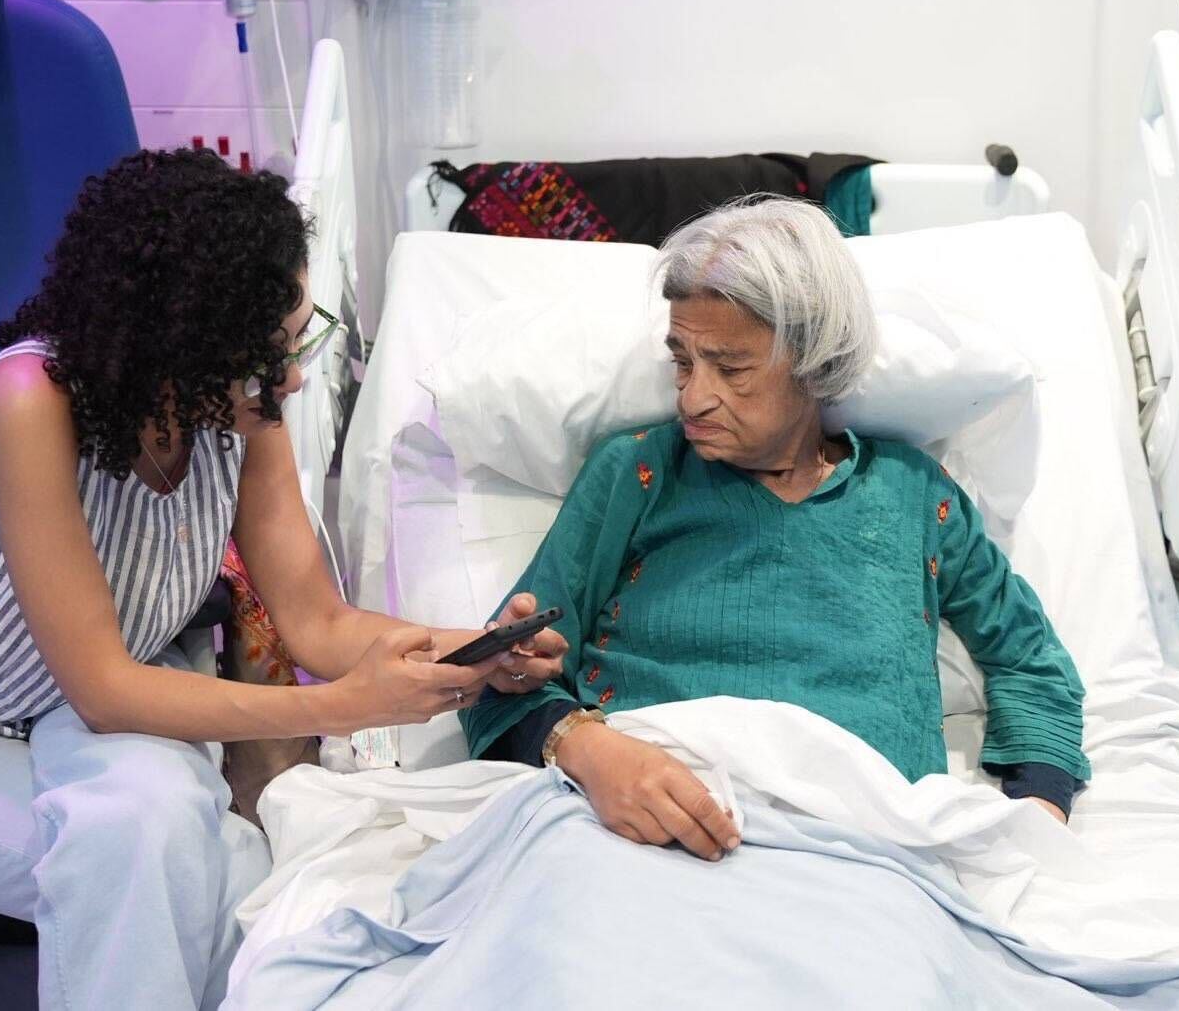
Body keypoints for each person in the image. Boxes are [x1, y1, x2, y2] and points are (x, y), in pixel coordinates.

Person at [0, 149, 565, 1011]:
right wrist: (344, 704)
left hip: (72, 710)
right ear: (178, 346)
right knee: (174, 870)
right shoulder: (25, 404)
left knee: (184, 847)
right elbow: (106, 691)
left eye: (298, 337)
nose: (292, 377)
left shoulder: (238, 413)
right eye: (264, 358)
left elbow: (316, 621)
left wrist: (463, 650)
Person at [463, 196, 1088, 863]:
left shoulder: (914, 498)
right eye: (681, 361)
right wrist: (583, 745)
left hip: (861, 851)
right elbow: (492, 684)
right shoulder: (637, 476)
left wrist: (1036, 810)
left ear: (815, 359)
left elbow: (1027, 657)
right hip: (639, 834)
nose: (693, 397)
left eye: (730, 368)